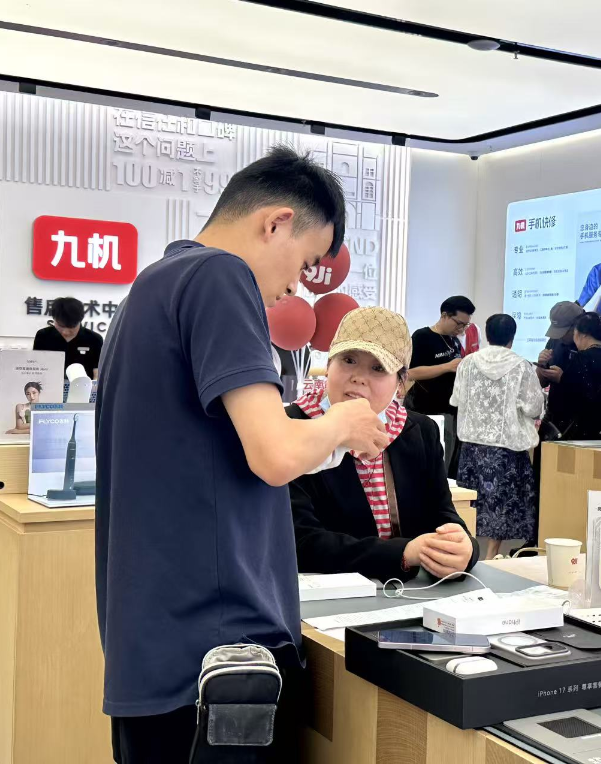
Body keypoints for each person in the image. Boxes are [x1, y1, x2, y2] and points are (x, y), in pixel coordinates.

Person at [95, 146, 389, 764]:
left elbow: (223, 450)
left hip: (161, 643)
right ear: (276, 222)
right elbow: (274, 454)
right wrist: (341, 421)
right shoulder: (219, 277)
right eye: (304, 263)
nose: (294, 286)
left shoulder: (154, 285)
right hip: (219, 654)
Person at [287, 306, 478, 581]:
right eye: (348, 360)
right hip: (323, 597)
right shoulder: (292, 426)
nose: (358, 377)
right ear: (329, 365)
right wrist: (403, 554)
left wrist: (463, 549)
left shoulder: (419, 431)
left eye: (378, 368)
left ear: (401, 382)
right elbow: (300, 542)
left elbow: (443, 515)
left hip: (411, 596)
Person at [451, 314, 544, 560]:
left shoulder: (467, 363)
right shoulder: (522, 366)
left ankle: (465, 551)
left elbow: (456, 399)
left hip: (472, 445)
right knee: (501, 506)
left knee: (469, 502)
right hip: (507, 448)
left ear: (487, 334)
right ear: (512, 338)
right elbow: (534, 407)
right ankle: (492, 555)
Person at [405, 295, 475, 478]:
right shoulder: (422, 337)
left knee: (445, 466)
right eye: (459, 323)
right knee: (424, 465)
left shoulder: (455, 342)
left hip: (450, 411)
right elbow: (410, 373)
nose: (461, 329)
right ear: (444, 315)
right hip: (425, 410)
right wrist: (447, 367)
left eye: (465, 325)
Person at [543, 312, 601, 441]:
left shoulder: (581, 359)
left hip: (580, 434)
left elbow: (573, 396)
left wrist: (561, 378)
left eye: (574, 333)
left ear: (584, 334)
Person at [33, 297, 104, 379]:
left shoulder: (94, 339)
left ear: (80, 320)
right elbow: (36, 366)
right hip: (49, 383)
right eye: (61, 326)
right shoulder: (43, 335)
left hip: (83, 385)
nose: (65, 332)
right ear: (54, 319)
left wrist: (94, 387)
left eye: (71, 327)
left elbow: (97, 372)